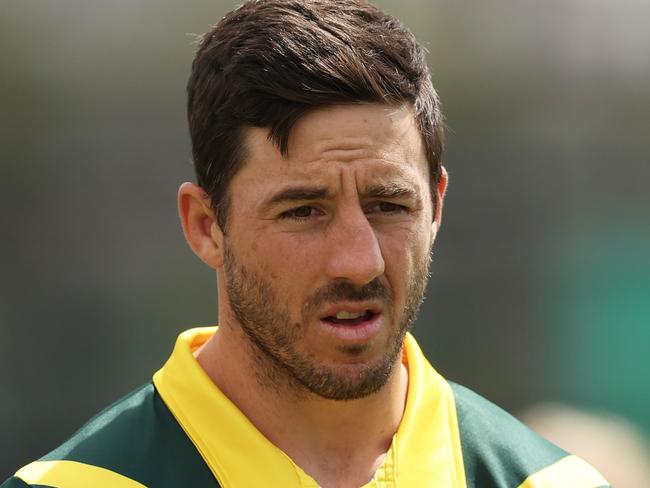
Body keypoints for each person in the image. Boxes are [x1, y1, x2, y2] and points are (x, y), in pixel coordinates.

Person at [2, 1, 610, 487]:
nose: (358, 260)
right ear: (206, 226)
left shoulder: (549, 481)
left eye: (388, 206)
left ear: (437, 208)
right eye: (303, 211)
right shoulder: (81, 483)